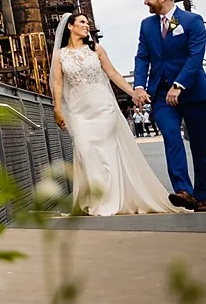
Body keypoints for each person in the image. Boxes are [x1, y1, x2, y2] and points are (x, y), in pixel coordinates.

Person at [51, 12, 182, 216]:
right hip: (78, 110)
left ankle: (109, 200)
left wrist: (134, 92)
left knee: (106, 152)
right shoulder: (60, 55)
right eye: (82, 22)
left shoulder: (96, 49)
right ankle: (96, 199)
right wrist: (57, 108)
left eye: (87, 22)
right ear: (70, 26)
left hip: (103, 107)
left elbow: (112, 73)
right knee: (85, 151)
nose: (87, 25)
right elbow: (58, 83)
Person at [133, 0, 206, 212]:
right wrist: (139, 86)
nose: (145, 2)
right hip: (160, 94)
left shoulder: (192, 21)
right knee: (171, 137)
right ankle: (183, 191)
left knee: (200, 145)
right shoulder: (146, 25)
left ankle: (201, 197)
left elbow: (195, 56)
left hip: (192, 92)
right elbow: (142, 57)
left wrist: (179, 85)